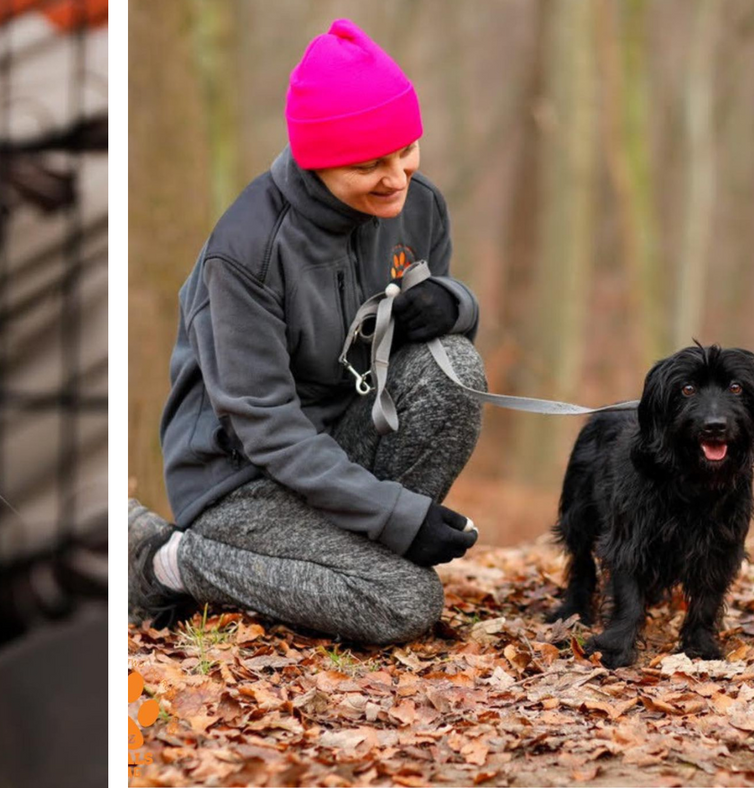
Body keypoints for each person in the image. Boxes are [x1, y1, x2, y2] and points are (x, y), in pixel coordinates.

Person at [129, 19, 488, 645]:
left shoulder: (418, 204)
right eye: (370, 164)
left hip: (345, 437)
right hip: (242, 475)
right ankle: (168, 559)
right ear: (318, 161)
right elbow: (266, 426)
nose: (397, 178)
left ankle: (344, 565)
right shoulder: (245, 252)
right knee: (406, 600)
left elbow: (427, 357)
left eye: (406, 149)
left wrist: (453, 305)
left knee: (455, 365)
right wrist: (398, 517)